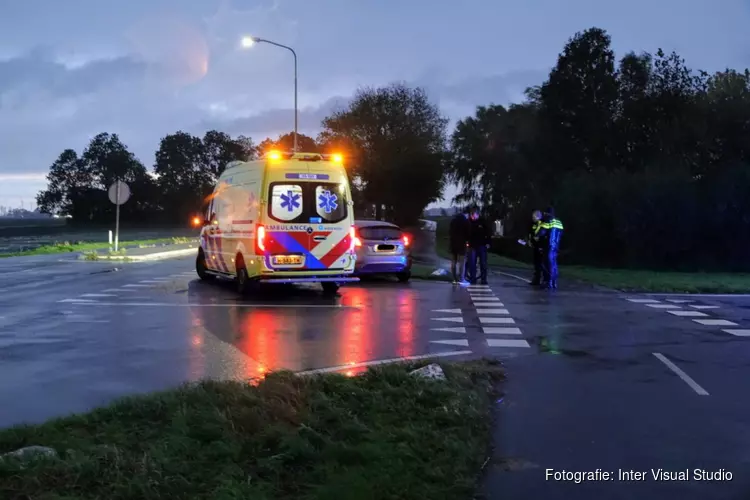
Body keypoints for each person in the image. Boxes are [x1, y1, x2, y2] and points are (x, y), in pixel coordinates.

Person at [539, 206, 564, 289]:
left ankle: (548, 282)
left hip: (548, 246)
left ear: (547, 213)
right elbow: (561, 234)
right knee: (554, 264)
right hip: (556, 246)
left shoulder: (548, 221)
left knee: (547, 263)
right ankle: (554, 282)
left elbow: (541, 233)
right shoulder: (559, 222)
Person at [467, 206, 492, 285]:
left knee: (483, 263)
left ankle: (483, 279)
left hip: (482, 245)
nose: (473, 216)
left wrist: (488, 242)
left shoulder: (482, 222)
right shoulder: (469, 222)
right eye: (472, 215)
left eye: (474, 215)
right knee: (472, 263)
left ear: (477, 214)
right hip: (472, 245)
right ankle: (473, 279)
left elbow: (488, 232)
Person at [448, 208, 470, 284]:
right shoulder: (465, 222)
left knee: (453, 261)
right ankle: (461, 278)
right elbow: (468, 233)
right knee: (462, 262)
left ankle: (454, 278)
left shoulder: (453, 221)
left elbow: (450, 232)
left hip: (453, 243)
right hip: (462, 243)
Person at [527, 210, 545, 286]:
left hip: (540, 247)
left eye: (534, 217)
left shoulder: (542, 224)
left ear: (538, 217)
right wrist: (530, 241)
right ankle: (536, 280)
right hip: (536, 247)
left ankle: (540, 280)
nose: (532, 218)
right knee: (536, 264)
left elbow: (540, 235)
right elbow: (532, 233)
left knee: (540, 264)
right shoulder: (534, 224)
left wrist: (537, 240)